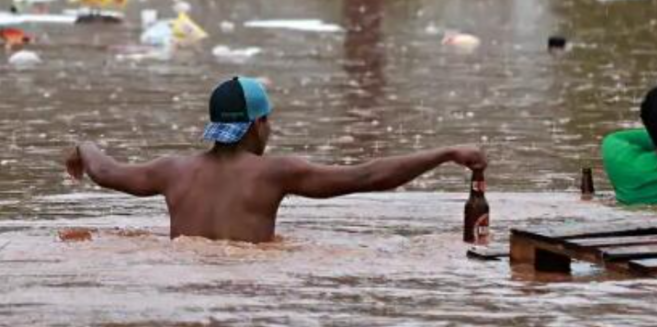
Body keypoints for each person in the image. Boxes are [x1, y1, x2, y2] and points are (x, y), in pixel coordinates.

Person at [64, 77, 487, 243]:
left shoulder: (172, 170)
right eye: (268, 122)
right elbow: (369, 176)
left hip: (186, 279)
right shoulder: (275, 173)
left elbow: (105, 171)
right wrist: (446, 152)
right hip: (250, 292)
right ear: (256, 125)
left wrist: (83, 147)